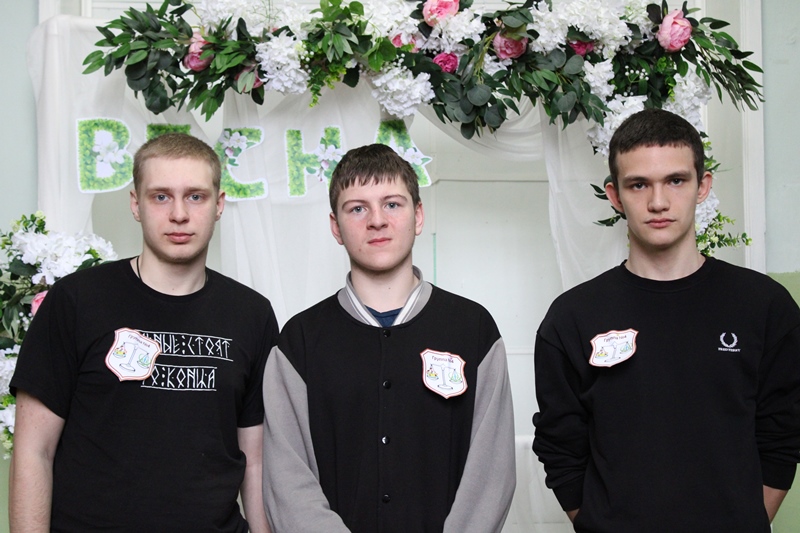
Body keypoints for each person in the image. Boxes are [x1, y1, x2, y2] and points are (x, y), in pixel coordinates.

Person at [532, 108, 800, 532]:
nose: (658, 202)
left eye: (676, 180)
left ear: (703, 186)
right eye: (639, 184)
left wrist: (742, 521)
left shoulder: (764, 306)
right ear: (615, 195)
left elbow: (782, 435)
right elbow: (560, 444)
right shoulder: (572, 317)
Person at [9, 133, 278, 532]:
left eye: (196, 196)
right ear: (136, 204)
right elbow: (34, 451)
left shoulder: (251, 314)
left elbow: (255, 463)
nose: (179, 214)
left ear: (219, 205)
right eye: (161, 197)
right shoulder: (77, 300)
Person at [261, 143, 516, 532]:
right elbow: (286, 478)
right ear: (336, 227)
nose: (376, 221)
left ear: (418, 216)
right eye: (357, 208)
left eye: (392, 204)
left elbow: (491, 473)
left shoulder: (473, 330)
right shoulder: (300, 342)